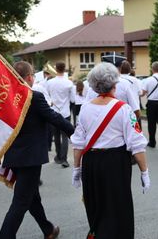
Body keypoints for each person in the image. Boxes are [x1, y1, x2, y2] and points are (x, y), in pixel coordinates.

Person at [70, 62, 150, 239]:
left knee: (96, 205)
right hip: (115, 161)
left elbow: (78, 143)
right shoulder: (124, 109)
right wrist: (144, 172)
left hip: (91, 162)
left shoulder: (84, 108)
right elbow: (136, 143)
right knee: (118, 207)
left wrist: (76, 168)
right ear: (115, 84)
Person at [0, 61, 74, 239]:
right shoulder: (34, 96)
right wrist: (75, 132)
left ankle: (47, 229)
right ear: (29, 77)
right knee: (21, 202)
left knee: (32, 197)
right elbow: (53, 117)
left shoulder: (6, 97)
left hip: (14, 155)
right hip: (30, 158)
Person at [47, 61, 75, 168]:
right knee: (65, 136)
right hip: (65, 112)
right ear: (65, 69)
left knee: (56, 135)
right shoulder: (69, 83)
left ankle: (58, 156)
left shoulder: (50, 82)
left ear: (55, 68)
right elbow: (73, 99)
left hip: (53, 112)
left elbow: (47, 96)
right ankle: (64, 159)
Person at [120, 61, 143, 128]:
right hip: (134, 110)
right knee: (135, 130)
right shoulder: (134, 80)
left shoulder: (117, 79)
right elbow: (140, 93)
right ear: (129, 69)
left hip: (122, 109)